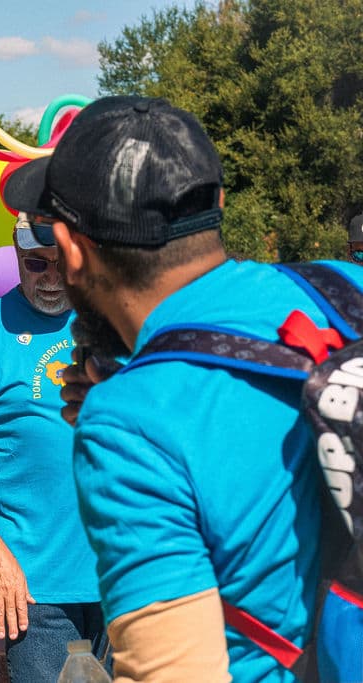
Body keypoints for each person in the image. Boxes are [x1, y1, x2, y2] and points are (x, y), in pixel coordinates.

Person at [34, 95, 363, 681]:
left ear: (72, 251)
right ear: (218, 204)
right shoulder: (345, 287)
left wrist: (134, 412)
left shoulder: (127, 424)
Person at [0, 160, 108, 683]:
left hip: (125, 575)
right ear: (16, 251)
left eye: (60, 263)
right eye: (35, 264)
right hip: (30, 587)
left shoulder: (113, 322)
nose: (50, 277)